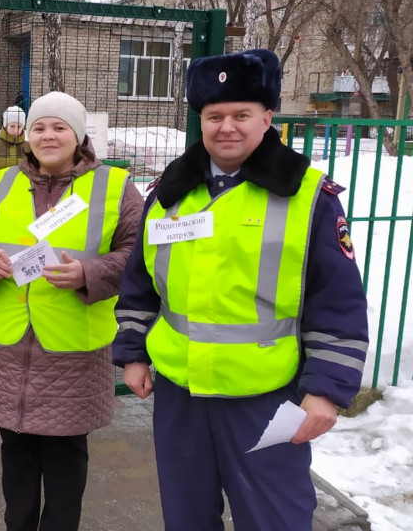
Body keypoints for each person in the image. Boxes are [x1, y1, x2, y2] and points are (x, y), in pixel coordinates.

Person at [113, 49, 369, 530]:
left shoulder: (307, 196)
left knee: (274, 519)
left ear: (267, 117)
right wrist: (133, 353)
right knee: (186, 517)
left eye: (241, 114)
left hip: (265, 398)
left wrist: (326, 391)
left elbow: (337, 302)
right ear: (201, 121)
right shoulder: (169, 194)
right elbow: (140, 284)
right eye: (215, 116)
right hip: (180, 394)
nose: (226, 126)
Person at [0, 91, 143, 531]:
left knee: (64, 466)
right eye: (40, 127)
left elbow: (138, 256)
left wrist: (90, 273)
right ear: (27, 136)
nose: (48, 135)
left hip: (69, 350)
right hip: (8, 347)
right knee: (15, 463)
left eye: (60, 127)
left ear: (78, 136)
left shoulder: (115, 187)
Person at [0, 105, 28, 181]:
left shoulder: (29, 147)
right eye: (12, 126)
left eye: (19, 126)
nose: (16, 130)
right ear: (5, 125)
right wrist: (3, 174)